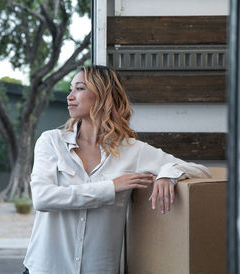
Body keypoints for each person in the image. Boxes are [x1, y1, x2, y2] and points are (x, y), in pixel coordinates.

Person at [22, 65, 211, 274]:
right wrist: (110, 188)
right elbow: (42, 198)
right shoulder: (51, 142)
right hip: (46, 268)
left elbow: (199, 170)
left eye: (79, 88)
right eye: (70, 89)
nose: (70, 96)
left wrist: (167, 175)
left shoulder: (133, 150)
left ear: (104, 96)